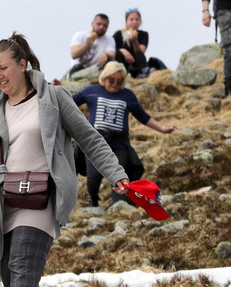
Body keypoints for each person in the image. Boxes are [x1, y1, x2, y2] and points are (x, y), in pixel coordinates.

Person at [0, 33, 128, 287]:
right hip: (5, 201)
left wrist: (116, 174)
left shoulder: (52, 97)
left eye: (3, 68)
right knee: (13, 281)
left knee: (22, 270)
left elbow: (89, 138)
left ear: (22, 64)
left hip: (41, 201)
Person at [73, 61, 176, 206]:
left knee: (120, 176)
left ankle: (119, 205)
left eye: (119, 81)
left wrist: (163, 129)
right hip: (95, 142)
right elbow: (69, 103)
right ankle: (93, 201)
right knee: (94, 175)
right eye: (112, 80)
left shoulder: (128, 95)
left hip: (119, 143)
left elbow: (143, 116)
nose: (115, 84)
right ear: (105, 77)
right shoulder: (92, 90)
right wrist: (57, 91)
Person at [112, 8, 166, 79]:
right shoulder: (119, 34)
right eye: (131, 19)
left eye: (137, 19)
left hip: (137, 64)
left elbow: (141, 51)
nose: (134, 22)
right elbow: (110, 48)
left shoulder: (143, 34)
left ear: (140, 21)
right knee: (118, 52)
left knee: (139, 54)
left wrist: (135, 41)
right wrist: (123, 51)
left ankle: (143, 71)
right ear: (126, 21)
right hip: (122, 63)